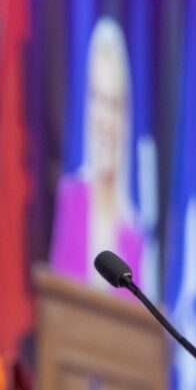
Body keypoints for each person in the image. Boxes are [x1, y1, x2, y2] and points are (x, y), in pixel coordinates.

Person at [50, 17, 144, 287]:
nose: (104, 119)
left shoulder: (135, 237)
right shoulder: (69, 199)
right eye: (97, 99)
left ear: (126, 117)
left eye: (113, 104)